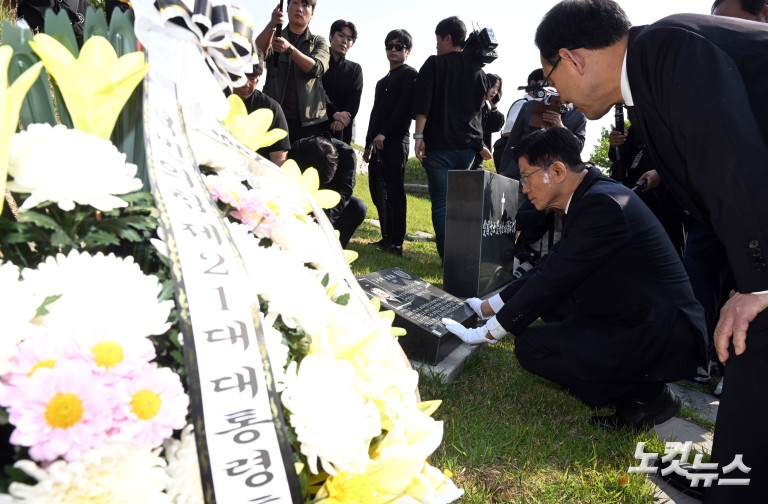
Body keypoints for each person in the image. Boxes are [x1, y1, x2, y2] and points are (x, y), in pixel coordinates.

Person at [534, 1, 768, 500]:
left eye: (554, 78)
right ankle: (732, 475)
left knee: (756, 333)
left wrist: (758, 282)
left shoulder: (669, 47)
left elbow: (730, 161)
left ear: (571, 58)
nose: (558, 94)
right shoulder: (649, 72)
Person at [443, 127, 706, 430]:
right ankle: (636, 386)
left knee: (531, 347)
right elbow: (552, 265)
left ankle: (644, 398)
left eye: (526, 177)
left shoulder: (602, 204)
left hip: (659, 331)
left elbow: (553, 279)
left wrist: (488, 332)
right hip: (635, 311)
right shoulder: (592, 194)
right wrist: (489, 306)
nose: (524, 188)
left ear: (556, 171)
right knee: (551, 304)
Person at [412, 16, 487, 260]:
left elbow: (423, 103)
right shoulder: (479, 72)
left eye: (437, 39)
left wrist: (419, 135)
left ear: (447, 38)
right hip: (467, 149)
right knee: (459, 207)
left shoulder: (435, 64)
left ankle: (449, 259)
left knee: (442, 205)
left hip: (440, 144)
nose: (436, 45)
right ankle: (461, 258)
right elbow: (478, 112)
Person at [363, 29, 418, 257]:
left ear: (408, 50)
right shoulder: (381, 82)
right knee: (378, 190)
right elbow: (375, 113)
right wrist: (367, 143)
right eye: (389, 46)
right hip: (377, 144)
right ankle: (386, 237)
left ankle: (396, 243)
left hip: (396, 141)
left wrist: (385, 133)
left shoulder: (410, 75)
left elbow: (405, 109)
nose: (393, 50)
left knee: (395, 191)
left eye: (398, 46)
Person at [256, 0, 330, 143]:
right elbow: (256, 55)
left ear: (312, 14)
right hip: (273, 116)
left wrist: (289, 49)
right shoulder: (275, 36)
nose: (299, 9)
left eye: (305, 5)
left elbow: (316, 68)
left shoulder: (319, 42)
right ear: (287, 8)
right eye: (295, 3)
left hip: (307, 123)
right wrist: (271, 25)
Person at [286, 135, 366, 248]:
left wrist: (322, 219)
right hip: (298, 200)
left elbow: (344, 195)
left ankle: (335, 248)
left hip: (328, 204)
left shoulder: (347, 155)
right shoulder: (298, 149)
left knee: (357, 207)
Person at [231, 48, 290, 166]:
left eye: (252, 79)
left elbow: (279, 159)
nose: (245, 84)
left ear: (259, 78)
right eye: (240, 77)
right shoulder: (217, 98)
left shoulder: (272, 109)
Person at [493, 68, 545, 169]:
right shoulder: (523, 104)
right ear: (533, 83)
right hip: (512, 156)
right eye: (546, 83)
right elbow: (509, 132)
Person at [322, 19, 363, 145]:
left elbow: (354, 100)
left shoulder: (355, 69)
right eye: (341, 35)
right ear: (331, 36)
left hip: (341, 131)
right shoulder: (318, 62)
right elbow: (315, 90)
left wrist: (341, 121)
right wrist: (333, 113)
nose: (345, 41)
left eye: (349, 39)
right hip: (315, 125)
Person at [471, 73, 505, 170]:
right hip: (468, 152)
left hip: (478, 157)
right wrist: (480, 146)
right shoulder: (472, 104)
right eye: (493, 87)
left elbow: (496, 126)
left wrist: (494, 106)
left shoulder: (486, 108)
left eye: (497, 89)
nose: (495, 91)